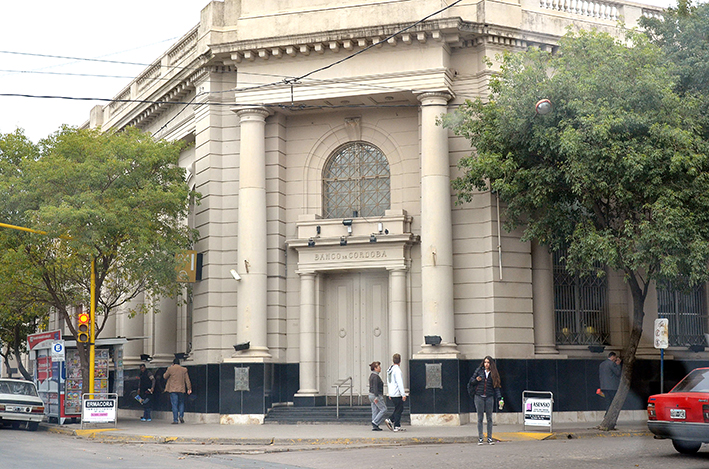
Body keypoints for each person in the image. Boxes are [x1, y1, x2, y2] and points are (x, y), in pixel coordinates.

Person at [468, 356, 502, 445]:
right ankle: (480, 438)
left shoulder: (494, 373)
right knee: (480, 418)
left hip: (489, 396)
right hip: (479, 396)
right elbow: (471, 381)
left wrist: (499, 398)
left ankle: (489, 438)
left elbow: (496, 387)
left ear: (491, 364)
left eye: (488, 362)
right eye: (485, 362)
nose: (486, 364)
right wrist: (476, 380)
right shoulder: (479, 371)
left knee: (489, 418)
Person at [163, 358, 192, 424]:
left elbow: (165, 376)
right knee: (181, 403)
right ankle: (181, 416)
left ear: (173, 363)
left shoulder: (170, 369)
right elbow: (187, 380)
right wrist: (189, 388)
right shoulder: (183, 369)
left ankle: (175, 420)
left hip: (173, 389)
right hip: (181, 389)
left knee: (174, 404)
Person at [384, 353, 407, 432]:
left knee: (398, 408)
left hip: (392, 393)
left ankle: (393, 422)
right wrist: (403, 394)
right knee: (399, 409)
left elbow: (389, 382)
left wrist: (389, 393)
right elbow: (399, 383)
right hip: (397, 393)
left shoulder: (390, 369)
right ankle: (395, 424)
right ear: (400, 360)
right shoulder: (397, 370)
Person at [368, 361, 387, 431]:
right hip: (376, 395)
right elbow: (375, 387)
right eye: (379, 367)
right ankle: (375, 422)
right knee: (383, 409)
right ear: (375, 368)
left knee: (375, 410)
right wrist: (376, 397)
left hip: (371, 395)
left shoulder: (371, 376)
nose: (380, 368)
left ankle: (375, 426)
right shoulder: (376, 377)